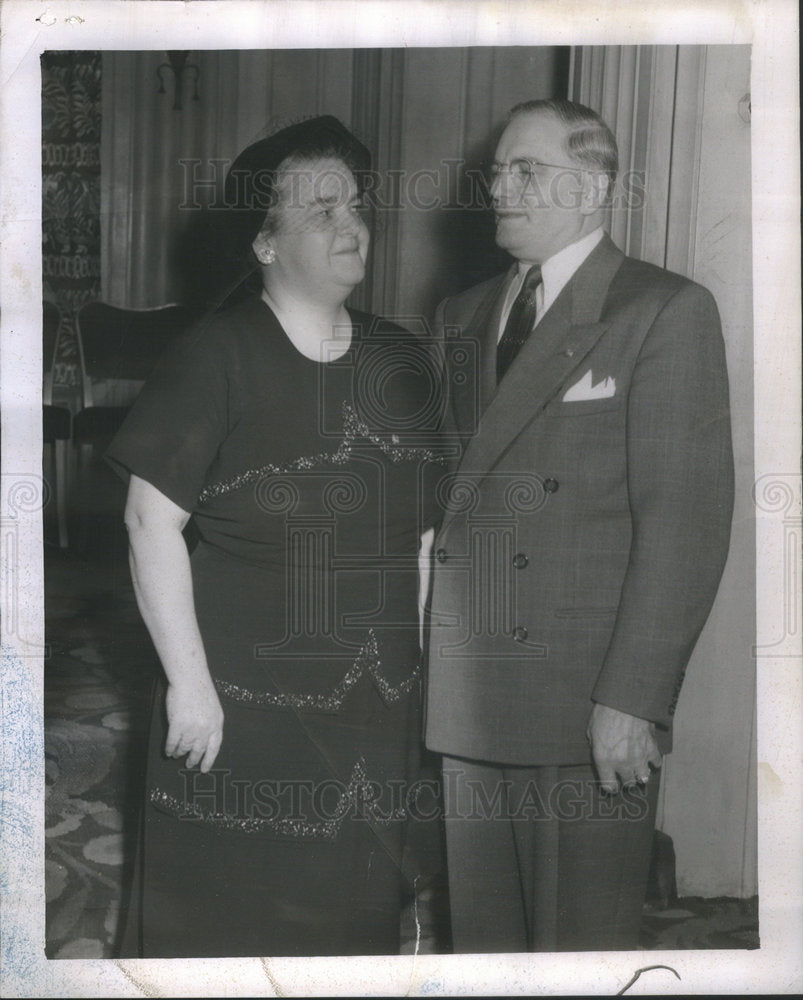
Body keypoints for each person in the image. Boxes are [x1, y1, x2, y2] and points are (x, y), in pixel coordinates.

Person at [106, 116, 445, 957]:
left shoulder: (400, 358)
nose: (352, 224)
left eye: (356, 206)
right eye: (322, 211)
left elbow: (426, 536)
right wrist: (189, 688)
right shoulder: (213, 356)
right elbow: (150, 521)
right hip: (241, 700)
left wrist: (429, 669)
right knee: (234, 919)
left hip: (379, 697)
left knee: (354, 911)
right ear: (264, 243)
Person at [424, 98, 734, 952]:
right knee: (484, 944)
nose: (499, 188)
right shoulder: (459, 314)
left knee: (578, 948)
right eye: (497, 171)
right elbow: (443, 499)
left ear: (592, 185)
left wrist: (631, 698)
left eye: (524, 170)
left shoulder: (662, 311)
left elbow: (685, 524)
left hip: (586, 699)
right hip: (471, 690)